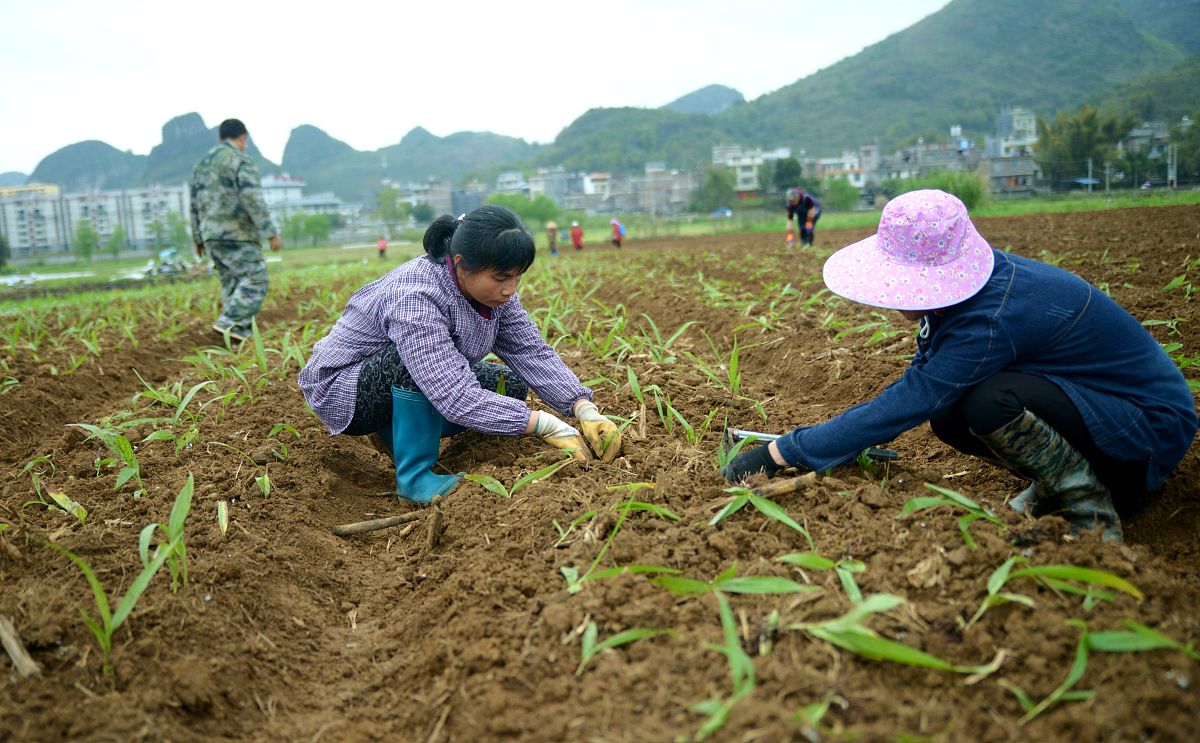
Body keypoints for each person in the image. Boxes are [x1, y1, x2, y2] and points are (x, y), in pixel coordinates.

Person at [724, 189, 1197, 543]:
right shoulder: (969, 299)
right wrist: (834, 446)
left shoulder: (990, 319)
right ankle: (1058, 482)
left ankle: (1092, 508)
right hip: (1096, 407)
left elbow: (908, 401)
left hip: (1146, 431)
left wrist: (786, 453)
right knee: (950, 415)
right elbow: (922, 386)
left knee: (988, 403)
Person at [298, 205, 623, 505]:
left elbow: (531, 352)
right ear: (460, 264)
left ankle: (394, 435)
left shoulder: (498, 297)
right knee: (414, 367)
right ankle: (413, 478)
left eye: (516, 276)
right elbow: (452, 392)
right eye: (500, 277)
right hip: (344, 388)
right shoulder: (417, 296)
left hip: (392, 381)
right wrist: (545, 425)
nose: (510, 288)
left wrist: (583, 408)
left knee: (506, 385)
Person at [190, 118, 282, 342]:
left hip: (211, 236)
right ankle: (229, 324)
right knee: (256, 279)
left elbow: (193, 203)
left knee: (232, 283)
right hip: (237, 235)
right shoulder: (240, 161)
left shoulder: (201, 166)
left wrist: (198, 238)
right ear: (242, 138)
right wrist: (270, 231)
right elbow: (253, 199)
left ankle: (234, 339)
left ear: (219, 138)